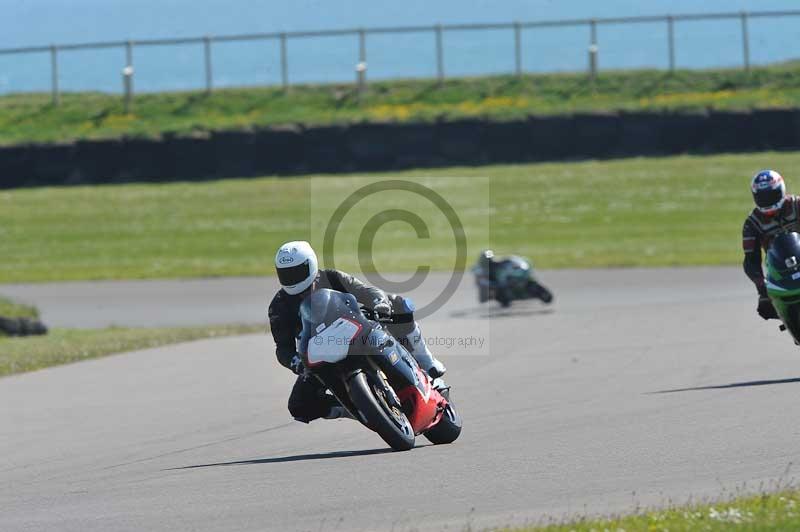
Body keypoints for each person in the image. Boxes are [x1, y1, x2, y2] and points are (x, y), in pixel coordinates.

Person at [267, 240, 446, 423]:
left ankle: (426, 362)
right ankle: (356, 410)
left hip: (356, 333)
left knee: (399, 305)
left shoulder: (331, 277)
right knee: (299, 405)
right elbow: (283, 348)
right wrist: (296, 362)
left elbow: (364, 290)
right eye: (286, 274)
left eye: (296, 272)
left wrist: (379, 303)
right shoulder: (278, 307)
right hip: (321, 356)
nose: (292, 279)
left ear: (310, 264)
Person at [742, 169, 800, 320]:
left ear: (781, 190)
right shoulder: (752, 223)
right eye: (762, 197)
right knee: (766, 307)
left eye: (771, 195)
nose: (767, 201)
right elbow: (750, 260)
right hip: (780, 275)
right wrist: (762, 291)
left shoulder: (797, 205)